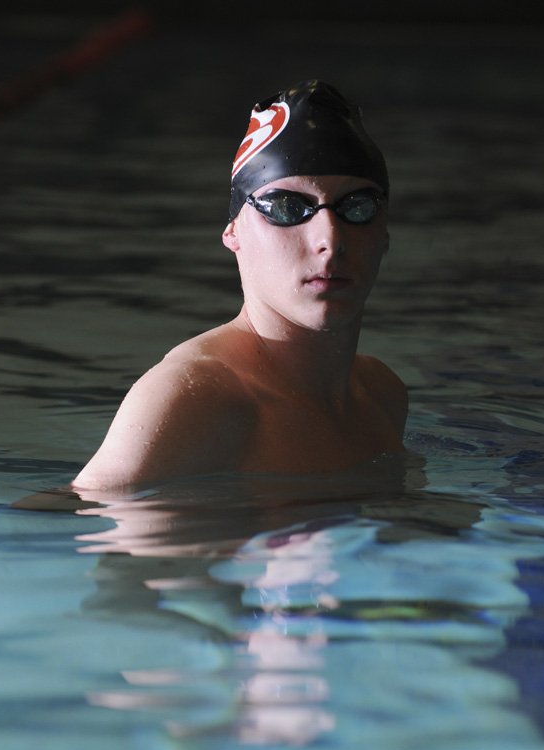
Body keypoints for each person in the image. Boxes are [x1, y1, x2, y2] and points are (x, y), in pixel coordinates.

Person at [73, 79, 408, 492]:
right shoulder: (195, 398)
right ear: (234, 233)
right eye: (287, 207)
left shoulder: (381, 394)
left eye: (357, 207)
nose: (330, 240)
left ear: (385, 233)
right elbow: (59, 532)